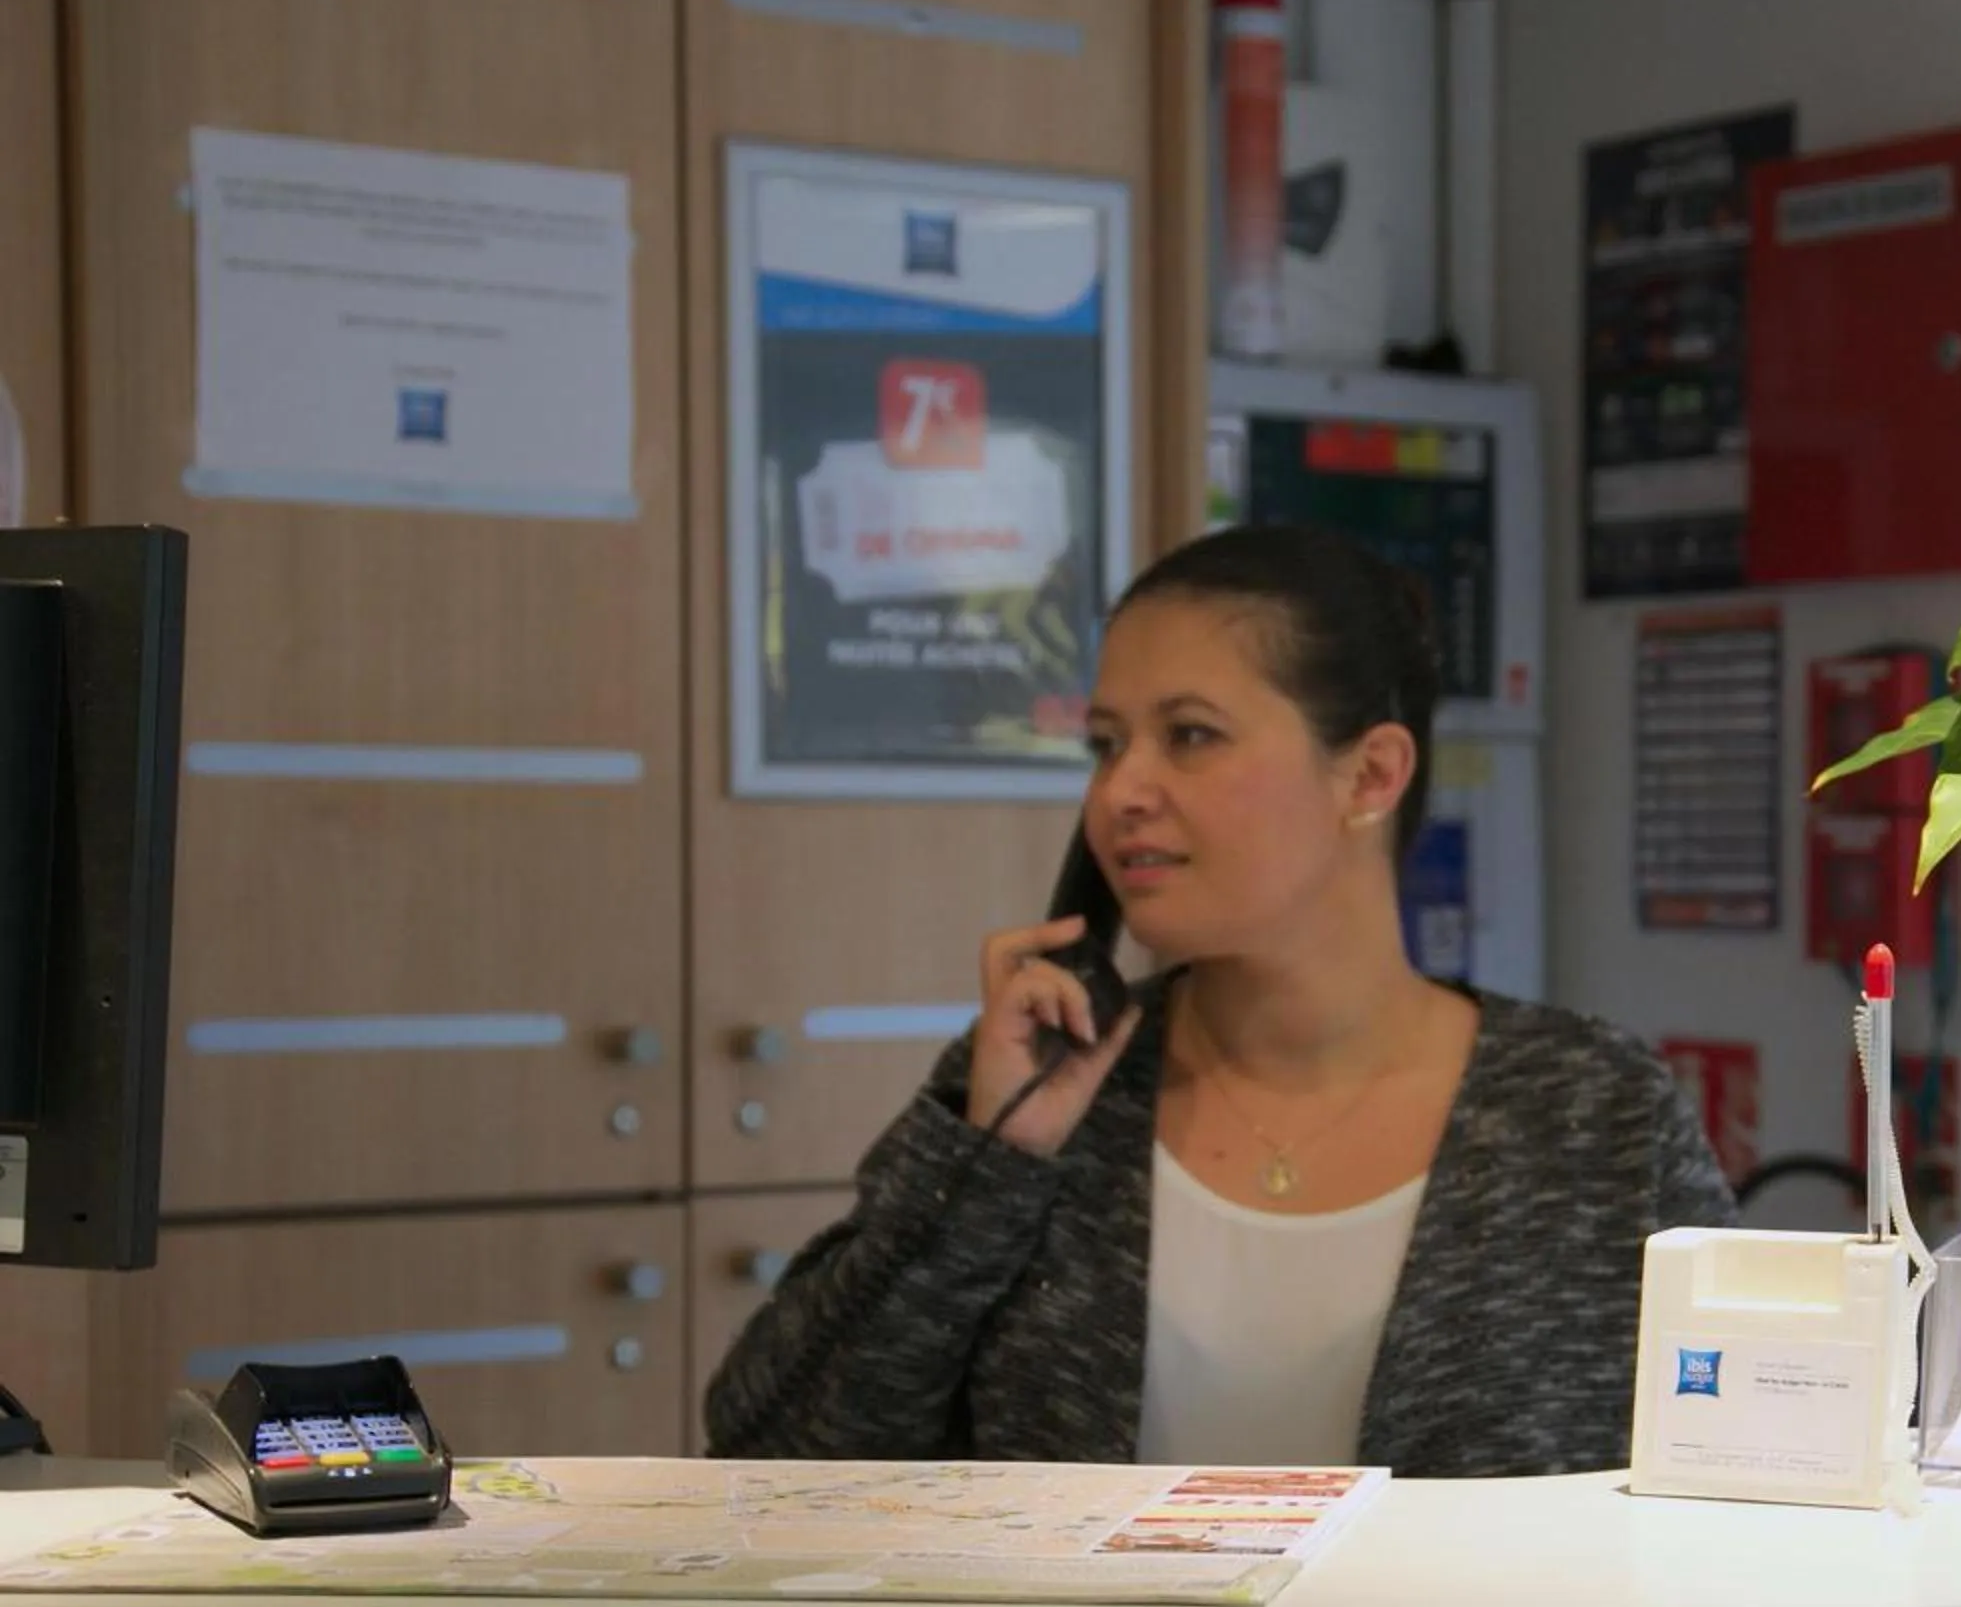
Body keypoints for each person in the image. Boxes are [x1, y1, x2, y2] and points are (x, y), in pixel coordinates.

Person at [705, 524, 1740, 1479]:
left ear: (1370, 775)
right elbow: (769, 1454)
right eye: (1106, 744)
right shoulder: (1052, 1080)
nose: (1121, 793)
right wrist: (987, 1168)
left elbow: (1745, 1482)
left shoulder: (1591, 1111)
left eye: (1190, 737)